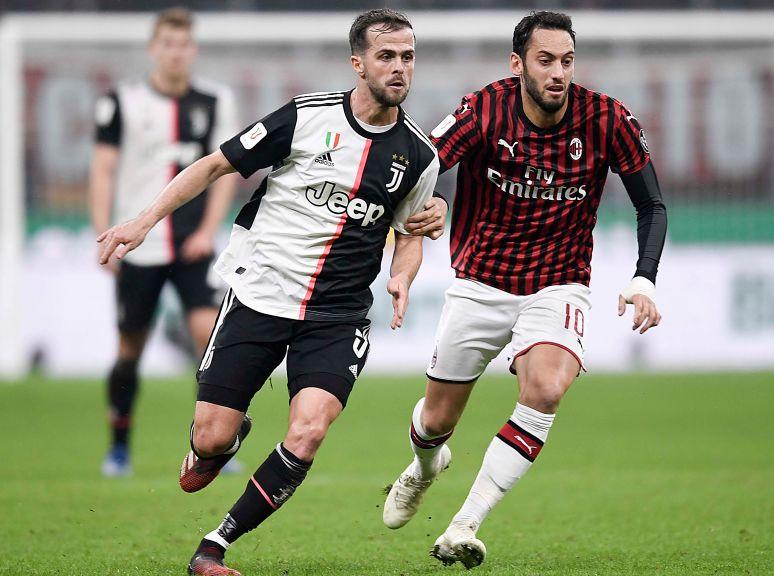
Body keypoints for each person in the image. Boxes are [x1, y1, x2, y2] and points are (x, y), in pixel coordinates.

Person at [96, 9, 446, 576]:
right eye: (386, 56)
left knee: (309, 430)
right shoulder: (306, 117)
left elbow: (409, 232)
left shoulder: (418, 156)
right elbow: (214, 166)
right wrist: (142, 221)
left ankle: (215, 545)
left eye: (407, 56)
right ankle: (221, 446)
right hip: (261, 294)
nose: (399, 66)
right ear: (358, 63)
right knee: (211, 437)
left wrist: (403, 275)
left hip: (338, 313)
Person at [381, 10, 668, 569]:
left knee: (547, 389)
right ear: (518, 65)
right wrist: (427, 204)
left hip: (559, 284)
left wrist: (643, 276)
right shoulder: (484, 108)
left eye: (566, 61)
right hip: (480, 281)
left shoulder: (606, 118)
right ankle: (424, 467)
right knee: (436, 422)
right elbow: (423, 160)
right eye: (545, 61)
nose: (558, 72)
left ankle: (465, 524)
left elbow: (651, 203)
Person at [90, 8, 239, 477]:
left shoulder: (215, 100)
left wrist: (206, 231)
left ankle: (213, 445)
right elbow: (103, 169)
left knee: (207, 336)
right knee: (129, 347)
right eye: (168, 44)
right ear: (155, 49)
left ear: (192, 50)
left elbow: (224, 171)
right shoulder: (122, 101)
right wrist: (105, 233)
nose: (177, 53)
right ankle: (118, 446)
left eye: (184, 44)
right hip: (140, 247)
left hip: (192, 245)